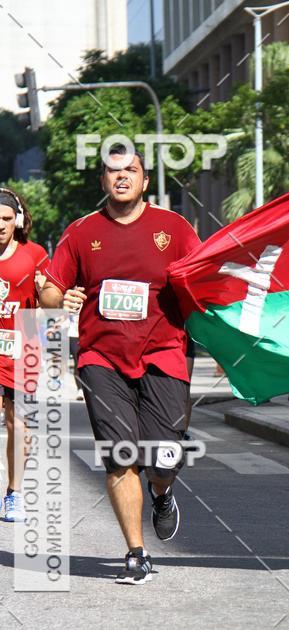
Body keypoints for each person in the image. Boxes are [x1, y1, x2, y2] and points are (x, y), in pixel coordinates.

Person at [41, 145, 201, 584]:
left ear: (144, 180)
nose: (122, 177)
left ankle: (162, 494)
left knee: (163, 458)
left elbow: (203, 278)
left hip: (163, 355)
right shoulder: (81, 232)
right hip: (101, 358)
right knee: (119, 456)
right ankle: (136, 551)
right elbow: (50, 293)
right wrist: (63, 297)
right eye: (114, 172)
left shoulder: (175, 228)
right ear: (103, 182)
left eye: (131, 170)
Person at [0, 188, 48, 522]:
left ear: (16, 220)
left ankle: (13, 494)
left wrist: (50, 291)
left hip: (23, 346)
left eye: (5, 218)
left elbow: (50, 298)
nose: (0, 225)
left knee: (18, 425)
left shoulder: (35, 255)